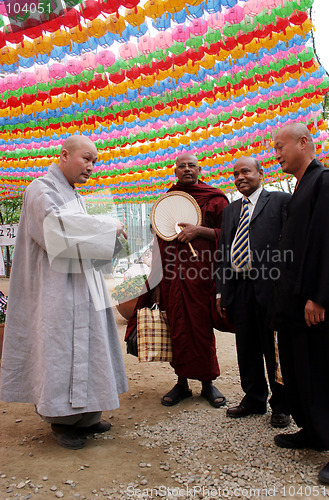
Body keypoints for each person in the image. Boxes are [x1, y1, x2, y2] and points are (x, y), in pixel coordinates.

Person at [0, 136, 128, 450]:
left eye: (94, 161)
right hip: (57, 289)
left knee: (90, 349)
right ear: (64, 155)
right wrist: (107, 224)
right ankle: (62, 421)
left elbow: (84, 233)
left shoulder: (74, 194)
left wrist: (107, 234)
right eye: (86, 158)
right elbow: (55, 231)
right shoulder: (40, 189)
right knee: (60, 352)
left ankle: (88, 417)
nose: (91, 167)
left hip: (84, 287)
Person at [126, 153, 231, 407]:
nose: (187, 169)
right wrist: (158, 285)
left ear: (199, 169)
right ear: (175, 172)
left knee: (201, 330)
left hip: (203, 278)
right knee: (177, 328)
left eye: (191, 165)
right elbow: (160, 243)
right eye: (182, 166)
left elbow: (229, 234)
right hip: (173, 279)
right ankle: (181, 382)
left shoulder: (215, 199)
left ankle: (208, 383)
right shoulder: (167, 201)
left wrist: (200, 231)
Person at [271, 122, 329, 484]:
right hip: (292, 303)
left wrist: (320, 296)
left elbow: (326, 243)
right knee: (300, 371)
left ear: (304, 142)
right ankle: (313, 430)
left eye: (280, 146)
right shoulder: (300, 189)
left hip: (314, 303)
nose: (277, 154)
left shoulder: (323, 182)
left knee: (324, 372)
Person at [216, 157, 291, 428]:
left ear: (261, 173)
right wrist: (221, 292)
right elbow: (224, 252)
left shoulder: (281, 201)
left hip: (271, 288)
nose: (239, 177)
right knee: (246, 346)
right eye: (235, 174)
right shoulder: (231, 210)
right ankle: (254, 398)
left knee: (274, 348)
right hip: (240, 287)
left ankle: (282, 405)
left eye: (245, 171)